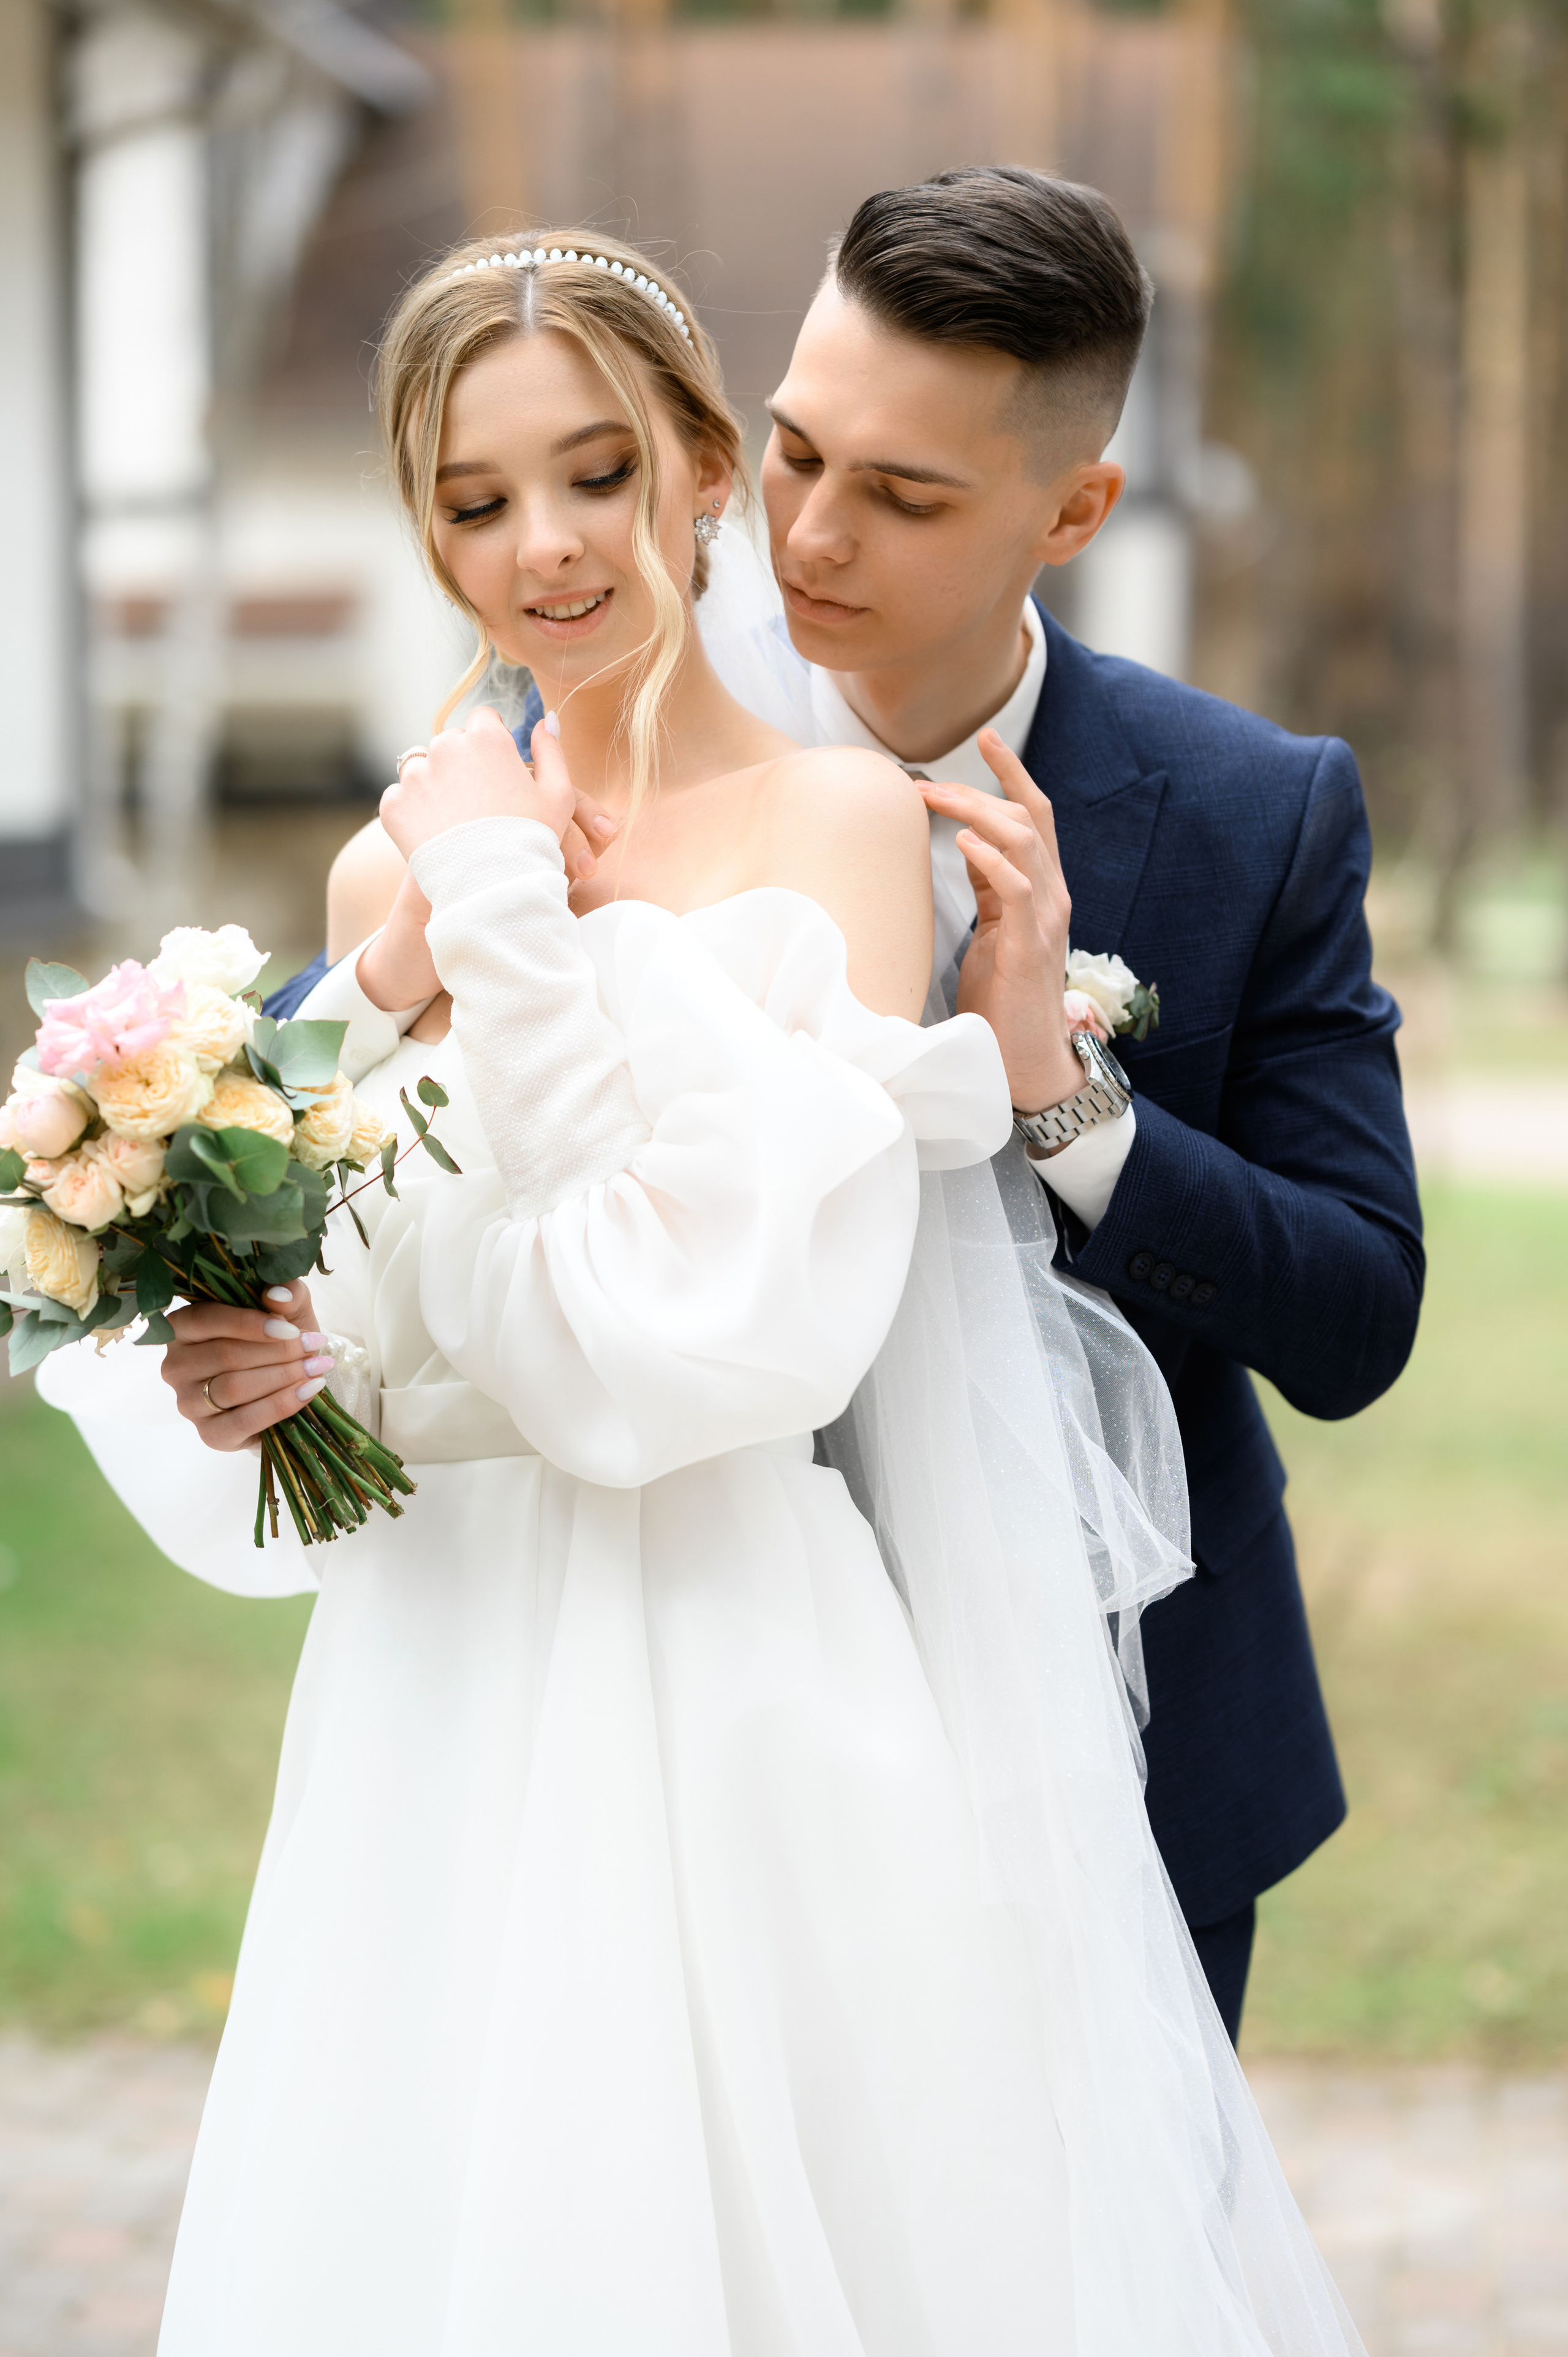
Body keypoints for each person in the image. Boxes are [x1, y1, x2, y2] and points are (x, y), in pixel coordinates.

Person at [40, 227, 1367, 2353]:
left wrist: (505, 909)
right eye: (475, 501)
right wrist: (280, 1367)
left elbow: (718, 1335)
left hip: (727, 1654)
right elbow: (403, 1321)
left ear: (701, 468)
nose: (546, 545)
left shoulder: (833, 823)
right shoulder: (388, 875)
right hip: (438, 1676)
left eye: (596, 472)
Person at [273, 169, 1425, 2041]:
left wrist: (1063, 1099)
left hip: (1106, 1718)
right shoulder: (558, 747)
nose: (809, 536)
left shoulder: (1248, 813)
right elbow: (322, 1113)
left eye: (903, 494)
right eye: (798, 452)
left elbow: (1357, 1314)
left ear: (1073, 512)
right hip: (651, 1696)